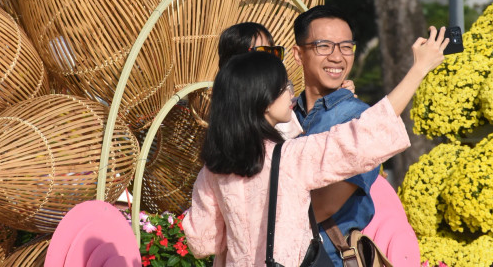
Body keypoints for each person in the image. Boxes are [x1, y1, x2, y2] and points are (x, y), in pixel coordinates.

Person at [183, 27, 448, 266]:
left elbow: (202, 241)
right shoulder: (290, 157)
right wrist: (418, 69)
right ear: (262, 101)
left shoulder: (214, 168)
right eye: (283, 87)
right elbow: (364, 137)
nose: (290, 92)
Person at [291, 5, 421, 266]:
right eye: (324, 46)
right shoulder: (286, 114)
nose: (337, 57)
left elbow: (323, 206)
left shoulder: (359, 117)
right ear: (298, 54)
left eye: (346, 47)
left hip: (327, 259)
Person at [217, 21, 354, 139]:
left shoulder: (286, 104)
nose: (270, 60)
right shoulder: (234, 118)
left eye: (274, 52)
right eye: (262, 52)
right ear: (235, 63)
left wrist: (334, 95)